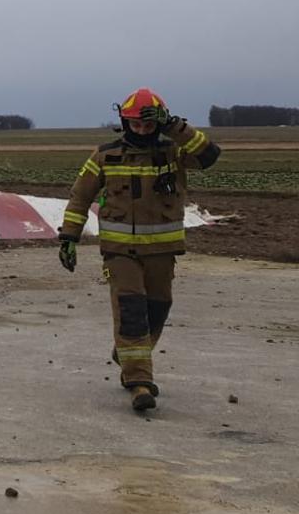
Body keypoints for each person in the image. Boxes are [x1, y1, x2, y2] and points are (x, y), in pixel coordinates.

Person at [56, 88, 221, 411]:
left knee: (158, 309)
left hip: (162, 251)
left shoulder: (175, 151)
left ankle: (128, 353)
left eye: (148, 125)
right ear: (125, 123)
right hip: (120, 252)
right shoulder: (105, 155)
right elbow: (79, 198)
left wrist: (176, 125)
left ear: (158, 124)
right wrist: (69, 237)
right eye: (135, 125)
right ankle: (139, 382)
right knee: (131, 310)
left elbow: (210, 155)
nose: (141, 131)